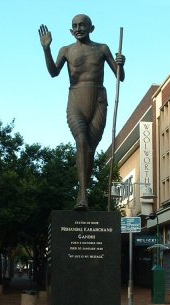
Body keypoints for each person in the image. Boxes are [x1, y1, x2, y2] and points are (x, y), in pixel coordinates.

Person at [39, 14, 125, 210]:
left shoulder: (102, 49)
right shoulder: (66, 50)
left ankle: (81, 193)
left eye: (82, 25)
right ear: (71, 30)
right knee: (81, 142)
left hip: (99, 99)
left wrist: (121, 63)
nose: (79, 28)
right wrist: (46, 49)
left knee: (90, 150)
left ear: (91, 28)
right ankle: (83, 197)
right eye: (75, 26)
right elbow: (53, 72)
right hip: (76, 98)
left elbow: (120, 77)